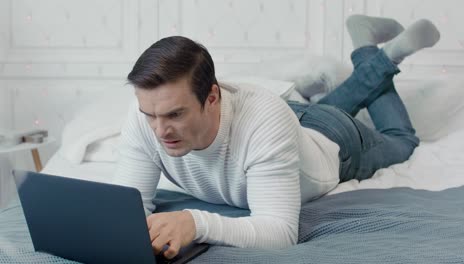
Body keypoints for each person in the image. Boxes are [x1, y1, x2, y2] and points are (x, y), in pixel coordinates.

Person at [113, 15, 440, 259]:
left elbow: (280, 232)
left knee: (402, 139)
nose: (158, 130)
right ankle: (366, 50)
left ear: (212, 97)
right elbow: (128, 208)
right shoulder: (146, 115)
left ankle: (376, 54)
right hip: (287, 121)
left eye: (175, 115)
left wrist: (195, 222)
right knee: (314, 110)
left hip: (331, 140)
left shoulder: (264, 120)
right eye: (150, 115)